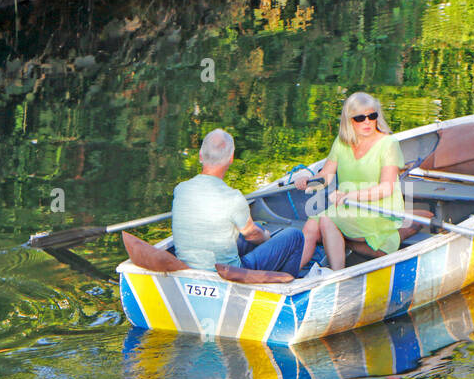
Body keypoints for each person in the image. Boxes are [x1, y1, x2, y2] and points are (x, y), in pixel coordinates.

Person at [172, 128, 304, 277]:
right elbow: (252, 234)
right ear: (231, 158)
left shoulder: (180, 189)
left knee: (257, 227)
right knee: (295, 236)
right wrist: (267, 237)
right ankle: (284, 288)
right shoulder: (233, 197)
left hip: (188, 270)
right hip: (229, 274)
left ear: (200, 156)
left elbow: (252, 232)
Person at [295, 92, 404, 271]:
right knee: (311, 226)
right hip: (347, 206)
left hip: (379, 209)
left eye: (372, 116)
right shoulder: (342, 142)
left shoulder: (388, 144)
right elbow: (326, 176)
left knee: (327, 220)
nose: (367, 122)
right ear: (349, 120)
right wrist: (308, 181)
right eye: (360, 118)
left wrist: (350, 195)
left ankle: (338, 275)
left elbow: (386, 188)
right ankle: (290, 275)